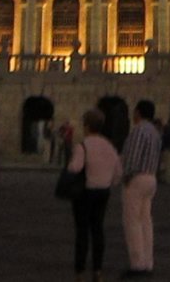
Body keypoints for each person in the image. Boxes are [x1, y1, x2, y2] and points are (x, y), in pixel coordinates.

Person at [67, 108, 123, 282]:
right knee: (98, 230)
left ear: (87, 126)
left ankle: (80, 271)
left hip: (85, 193)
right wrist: (108, 181)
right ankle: (98, 271)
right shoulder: (109, 146)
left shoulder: (83, 146)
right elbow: (118, 172)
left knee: (82, 232)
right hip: (103, 192)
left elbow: (75, 168)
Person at [120, 99, 160, 278]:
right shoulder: (155, 132)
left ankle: (137, 264)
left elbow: (133, 157)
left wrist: (126, 175)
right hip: (151, 177)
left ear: (138, 112)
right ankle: (148, 261)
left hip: (137, 178)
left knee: (132, 221)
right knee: (146, 221)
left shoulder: (139, 130)